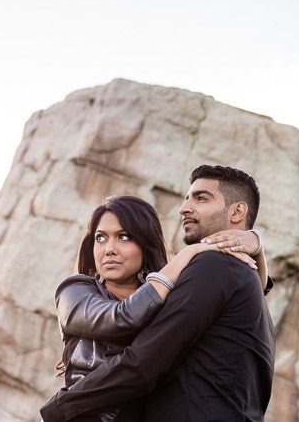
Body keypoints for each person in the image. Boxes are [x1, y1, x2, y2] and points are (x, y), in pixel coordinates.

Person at [41, 165, 276, 422]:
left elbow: (143, 363)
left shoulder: (213, 269)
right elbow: (122, 318)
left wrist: (255, 242)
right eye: (100, 238)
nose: (184, 208)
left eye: (201, 198)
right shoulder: (76, 290)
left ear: (237, 211)